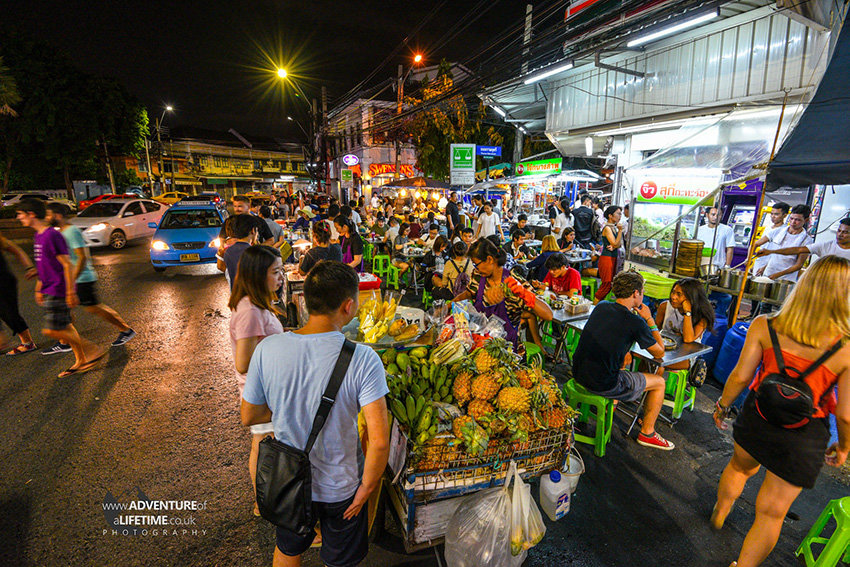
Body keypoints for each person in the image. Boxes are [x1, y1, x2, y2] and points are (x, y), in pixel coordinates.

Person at [241, 261, 389, 567]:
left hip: (288, 481)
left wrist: (288, 405)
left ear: (305, 301)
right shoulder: (364, 358)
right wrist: (367, 489)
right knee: (340, 560)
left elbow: (249, 416)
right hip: (342, 487)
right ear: (349, 306)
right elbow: (378, 441)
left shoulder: (268, 349)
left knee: (288, 550)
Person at [710, 255, 850, 567]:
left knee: (739, 467)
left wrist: (722, 406)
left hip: (758, 416)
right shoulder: (846, 348)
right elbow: (846, 414)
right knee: (772, 512)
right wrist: (843, 447)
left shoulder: (765, 325)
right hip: (804, 436)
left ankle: (721, 511)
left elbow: (741, 376)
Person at [572, 271, 674, 450]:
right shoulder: (636, 322)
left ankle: (611, 407)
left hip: (578, 373)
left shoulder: (602, 306)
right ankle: (647, 433)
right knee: (659, 382)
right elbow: (660, 352)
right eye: (642, 292)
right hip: (602, 384)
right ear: (636, 293)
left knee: (623, 365)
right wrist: (649, 319)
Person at [15, 199, 105, 377]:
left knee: (52, 329)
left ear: (31, 214)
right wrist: (39, 286)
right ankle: (81, 360)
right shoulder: (39, 236)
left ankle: (92, 350)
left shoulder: (52, 235)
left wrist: (71, 291)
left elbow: (67, 264)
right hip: (49, 287)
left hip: (59, 287)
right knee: (66, 326)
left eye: (20, 214)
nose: (18, 218)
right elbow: (45, 265)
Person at [228, 245, 284, 517]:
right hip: (262, 391)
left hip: (265, 389)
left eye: (281, 270)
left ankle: (263, 503)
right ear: (258, 275)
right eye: (275, 272)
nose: (281, 277)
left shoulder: (254, 303)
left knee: (263, 445)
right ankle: (271, 505)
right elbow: (243, 362)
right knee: (267, 448)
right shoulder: (250, 310)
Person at [44, 203, 135, 354]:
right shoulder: (62, 232)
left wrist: (73, 280)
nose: (47, 218)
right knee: (63, 308)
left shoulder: (71, 231)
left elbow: (81, 257)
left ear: (57, 215)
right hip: (71, 278)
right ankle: (65, 341)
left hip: (82, 278)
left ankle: (125, 330)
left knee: (94, 307)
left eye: (49, 214)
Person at [453, 238, 553, 348]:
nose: (475, 268)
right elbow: (468, 293)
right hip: (478, 344)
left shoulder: (514, 282)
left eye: (476, 264)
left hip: (505, 350)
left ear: (490, 259)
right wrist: (449, 305)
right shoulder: (478, 275)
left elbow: (548, 315)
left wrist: (524, 293)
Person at [654, 278, 714, 370]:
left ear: (691, 298)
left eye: (679, 294)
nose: (673, 297)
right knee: (650, 360)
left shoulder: (701, 317)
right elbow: (655, 330)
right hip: (664, 350)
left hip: (686, 356)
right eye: (673, 292)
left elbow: (688, 339)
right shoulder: (664, 307)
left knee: (658, 365)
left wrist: (687, 312)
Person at [0, 230, 38, 355]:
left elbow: (17, 251)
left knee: (9, 313)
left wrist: (30, 267)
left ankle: (28, 343)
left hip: (3, 282)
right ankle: (2, 341)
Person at [758, 216, 850, 266]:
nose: (840, 235)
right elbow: (798, 250)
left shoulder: (806, 239)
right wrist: (771, 251)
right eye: (839, 231)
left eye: (845, 232)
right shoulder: (826, 246)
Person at [752, 204, 811, 282]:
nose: (793, 222)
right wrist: (751, 259)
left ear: (806, 220)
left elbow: (798, 265)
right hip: (769, 272)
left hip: (786, 279)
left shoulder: (806, 240)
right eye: (791, 218)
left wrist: (777, 275)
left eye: (798, 220)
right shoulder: (778, 231)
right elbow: (756, 244)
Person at [595, 205, 624, 304]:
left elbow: (618, 244)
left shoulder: (613, 228)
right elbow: (616, 243)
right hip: (606, 258)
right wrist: (620, 231)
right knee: (606, 284)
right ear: (610, 216)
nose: (620, 216)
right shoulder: (608, 228)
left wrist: (615, 245)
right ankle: (593, 308)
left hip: (612, 258)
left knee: (608, 284)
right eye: (618, 213)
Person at [751, 202, 789, 276]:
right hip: (759, 262)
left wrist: (765, 267)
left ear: (785, 215)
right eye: (771, 214)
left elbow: (778, 254)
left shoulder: (784, 231)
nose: (773, 216)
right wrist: (753, 263)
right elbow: (760, 246)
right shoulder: (768, 228)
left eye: (776, 214)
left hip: (771, 267)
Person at [219, 215, 258, 288]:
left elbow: (222, 267)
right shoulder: (253, 252)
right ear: (253, 230)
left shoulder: (228, 251)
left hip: (235, 295)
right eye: (257, 230)